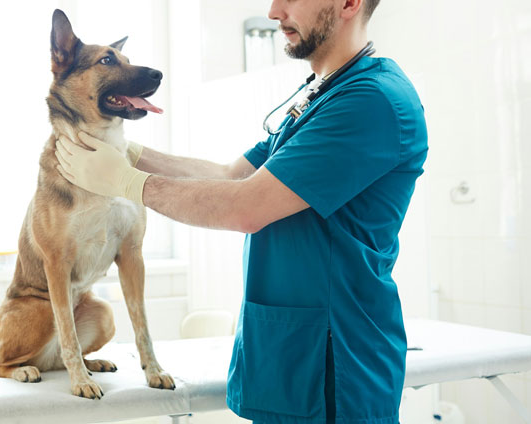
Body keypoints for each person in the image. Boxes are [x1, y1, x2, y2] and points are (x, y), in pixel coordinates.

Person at [55, 0, 428, 422]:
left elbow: (247, 207)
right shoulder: (320, 93)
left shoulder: (369, 101)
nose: (273, 11)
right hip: (290, 351)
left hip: (336, 358)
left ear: (348, 3)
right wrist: (128, 153)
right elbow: (232, 176)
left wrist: (125, 181)